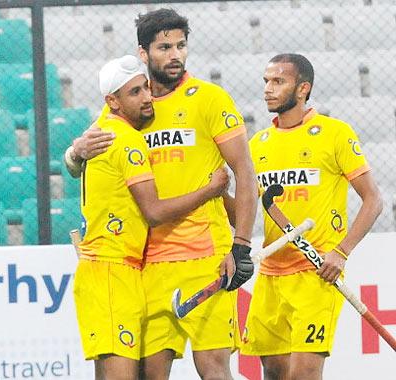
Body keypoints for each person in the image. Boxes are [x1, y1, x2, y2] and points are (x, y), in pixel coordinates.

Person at [65, 9, 258, 380]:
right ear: (143, 53)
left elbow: (244, 174)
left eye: (181, 46)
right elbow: (84, 158)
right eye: (164, 47)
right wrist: (74, 152)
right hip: (150, 264)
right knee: (150, 373)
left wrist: (242, 245)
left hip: (206, 258)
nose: (175, 55)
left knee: (213, 367)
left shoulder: (209, 99)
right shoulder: (135, 105)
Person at [230, 53, 382, 380]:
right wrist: (214, 191)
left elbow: (373, 200)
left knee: (303, 375)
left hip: (316, 275)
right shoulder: (258, 144)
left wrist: (341, 253)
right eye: (266, 81)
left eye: (278, 81)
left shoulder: (334, 134)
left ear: (302, 89)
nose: (268, 89)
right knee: (273, 374)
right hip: (271, 276)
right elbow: (244, 209)